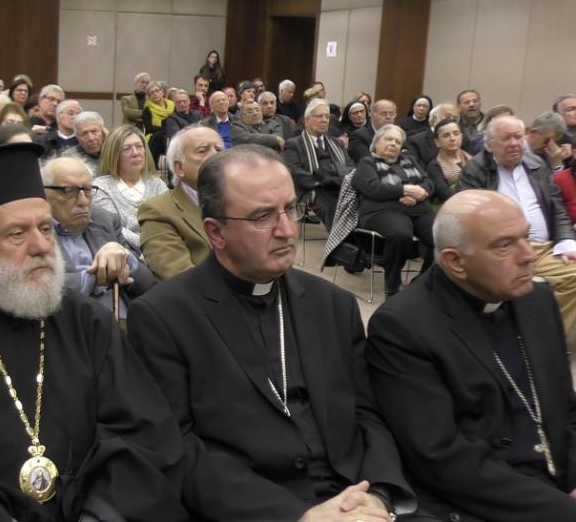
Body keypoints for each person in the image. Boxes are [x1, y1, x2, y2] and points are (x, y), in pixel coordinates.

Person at [0, 142, 189, 521]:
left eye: (45, 228)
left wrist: (100, 515)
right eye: (17, 234)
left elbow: (144, 435)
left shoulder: (89, 324)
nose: (41, 246)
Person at [128, 145, 420, 521]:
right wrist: (299, 516)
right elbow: (177, 448)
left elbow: (368, 414)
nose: (287, 230)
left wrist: (378, 494)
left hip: (354, 498)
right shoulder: (165, 316)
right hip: (254, 509)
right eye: (263, 217)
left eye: (290, 209)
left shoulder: (333, 303)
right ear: (215, 232)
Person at [367, 189, 576, 521]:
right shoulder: (404, 326)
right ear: (455, 261)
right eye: (504, 245)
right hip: (483, 500)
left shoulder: (537, 299)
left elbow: (565, 409)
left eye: (525, 237)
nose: (528, 255)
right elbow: (442, 459)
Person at [459, 115, 576, 339]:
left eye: (518, 137)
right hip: (503, 250)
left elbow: (557, 207)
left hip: (543, 248)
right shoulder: (476, 170)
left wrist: (567, 242)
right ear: (489, 144)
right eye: (506, 138)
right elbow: (468, 217)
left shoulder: (536, 164)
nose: (514, 143)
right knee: (516, 287)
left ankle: (548, 338)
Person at [42, 157, 154, 317]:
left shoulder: (105, 219)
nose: (83, 201)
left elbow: (147, 284)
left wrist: (125, 257)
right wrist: (95, 276)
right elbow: (38, 289)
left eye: (87, 190)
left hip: (120, 320)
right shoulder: (34, 230)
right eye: (68, 191)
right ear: (44, 193)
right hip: (70, 323)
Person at [352, 124, 434, 296]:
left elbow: (428, 182)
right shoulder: (367, 163)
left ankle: (422, 282)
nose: (393, 143)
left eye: (397, 141)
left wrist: (421, 192)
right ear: (376, 143)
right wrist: (405, 190)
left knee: (442, 237)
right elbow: (373, 189)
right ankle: (392, 285)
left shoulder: (410, 160)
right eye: (388, 139)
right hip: (381, 212)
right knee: (400, 234)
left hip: (417, 209)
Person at [138, 125, 220, 281]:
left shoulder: (242, 202)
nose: (216, 155)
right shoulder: (158, 211)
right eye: (202, 151)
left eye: (219, 149)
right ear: (179, 167)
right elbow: (180, 279)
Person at [282, 98, 354, 231]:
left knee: (357, 202)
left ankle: (356, 238)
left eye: (327, 116)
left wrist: (337, 179)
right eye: (320, 116)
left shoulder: (336, 143)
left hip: (339, 186)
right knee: (331, 205)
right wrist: (320, 180)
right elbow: (294, 171)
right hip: (312, 190)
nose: (324, 120)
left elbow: (350, 166)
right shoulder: (294, 144)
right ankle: (340, 240)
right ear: (306, 120)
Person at [92, 125, 168, 248]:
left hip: (163, 248)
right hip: (124, 252)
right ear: (114, 155)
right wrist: (148, 244)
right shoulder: (100, 187)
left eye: (139, 146)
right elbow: (114, 228)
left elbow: (169, 222)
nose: (136, 153)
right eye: (126, 149)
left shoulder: (157, 184)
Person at [426, 118, 470, 206]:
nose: (452, 138)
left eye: (456, 134)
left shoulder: (473, 159)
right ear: (437, 142)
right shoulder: (434, 166)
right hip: (454, 206)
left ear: (461, 137)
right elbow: (444, 194)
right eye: (446, 135)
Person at [62, 111, 106, 177]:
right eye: (84, 134)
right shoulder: (69, 157)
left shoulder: (115, 152)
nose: (91, 138)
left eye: (94, 131)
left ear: (103, 131)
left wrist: (111, 142)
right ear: (77, 137)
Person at [143, 81, 175, 161]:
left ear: (162, 92)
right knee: (161, 136)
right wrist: (164, 128)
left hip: (171, 131)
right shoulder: (147, 108)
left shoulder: (172, 105)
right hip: (154, 135)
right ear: (149, 96)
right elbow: (149, 127)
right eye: (152, 93)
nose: (155, 94)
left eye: (157, 91)